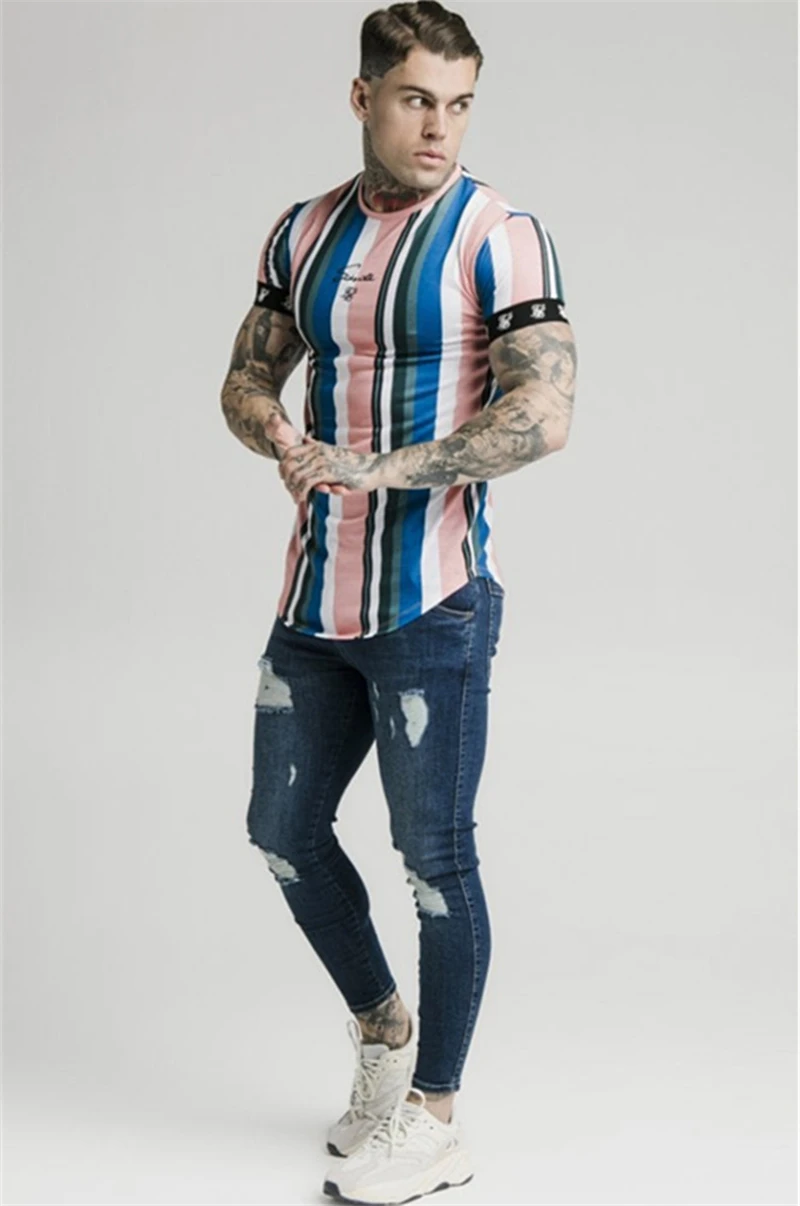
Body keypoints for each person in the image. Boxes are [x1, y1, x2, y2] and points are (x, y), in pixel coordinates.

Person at [220, 3, 577, 1202]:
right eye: (418, 99)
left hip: (432, 603)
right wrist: (273, 430)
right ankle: (382, 1030)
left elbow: (542, 417)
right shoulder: (303, 230)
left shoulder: (498, 235)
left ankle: (437, 1119)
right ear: (362, 95)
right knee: (282, 833)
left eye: (459, 104)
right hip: (313, 596)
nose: (439, 127)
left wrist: (376, 470)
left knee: (434, 862)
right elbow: (246, 376)